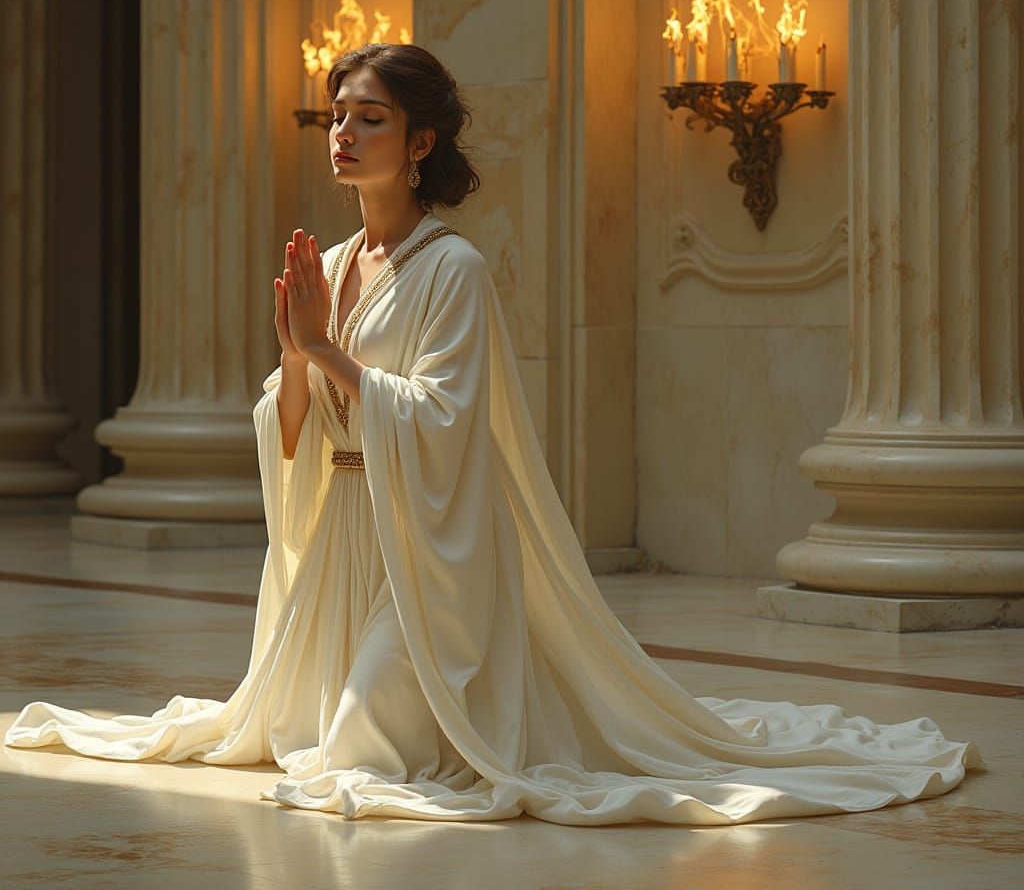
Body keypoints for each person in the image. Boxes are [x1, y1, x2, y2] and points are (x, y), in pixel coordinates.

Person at [5, 43, 982, 825]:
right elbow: (289, 431)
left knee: (359, 752)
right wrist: (297, 360)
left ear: (421, 140)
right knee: (279, 730)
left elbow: (441, 420)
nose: (343, 131)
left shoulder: (454, 269)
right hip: (343, 543)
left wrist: (327, 355)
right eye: (338, 112)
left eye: (370, 116)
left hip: (426, 556)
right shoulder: (335, 259)